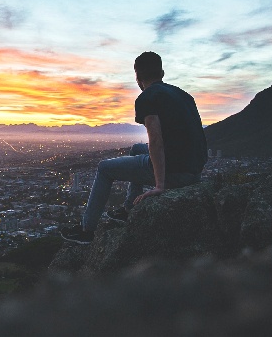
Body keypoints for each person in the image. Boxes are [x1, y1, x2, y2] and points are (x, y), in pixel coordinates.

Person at [61, 51, 207, 244]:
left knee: (104, 168)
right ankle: (129, 208)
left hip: (175, 172)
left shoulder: (147, 97)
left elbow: (156, 140)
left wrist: (160, 186)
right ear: (161, 72)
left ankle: (87, 230)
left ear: (137, 76)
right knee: (138, 148)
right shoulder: (184, 95)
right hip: (193, 170)